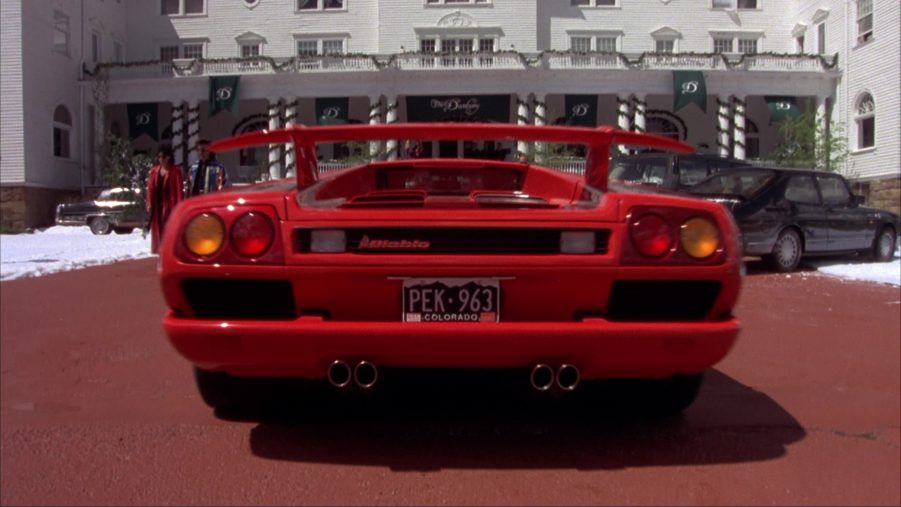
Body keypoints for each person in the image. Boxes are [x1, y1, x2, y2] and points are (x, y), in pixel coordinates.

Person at [145, 144, 184, 254]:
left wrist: (179, 208)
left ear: (168, 157)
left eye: (162, 156)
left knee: (169, 228)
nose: (160, 159)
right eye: (159, 157)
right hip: (158, 205)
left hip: (171, 205)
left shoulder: (175, 171)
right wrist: (149, 203)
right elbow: (150, 189)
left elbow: (179, 190)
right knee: (158, 228)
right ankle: (160, 250)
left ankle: (170, 251)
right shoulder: (154, 171)